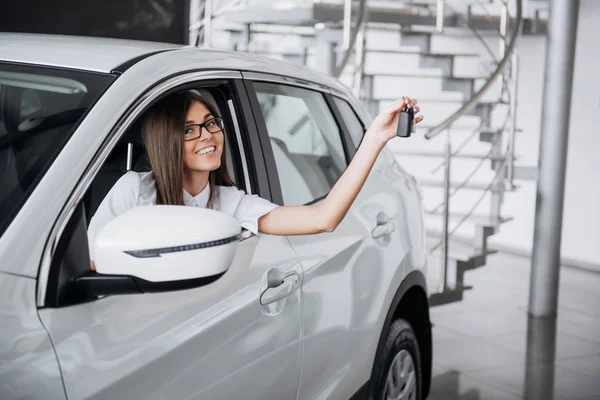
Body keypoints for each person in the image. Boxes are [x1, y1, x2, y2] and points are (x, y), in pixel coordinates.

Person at [88, 90, 423, 269]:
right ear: (166, 141)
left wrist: (375, 138)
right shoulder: (135, 190)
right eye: (189, 130)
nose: (207, 136)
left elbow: (323, 219)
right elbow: (92, 260)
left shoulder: (229, 202)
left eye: (211, 123)